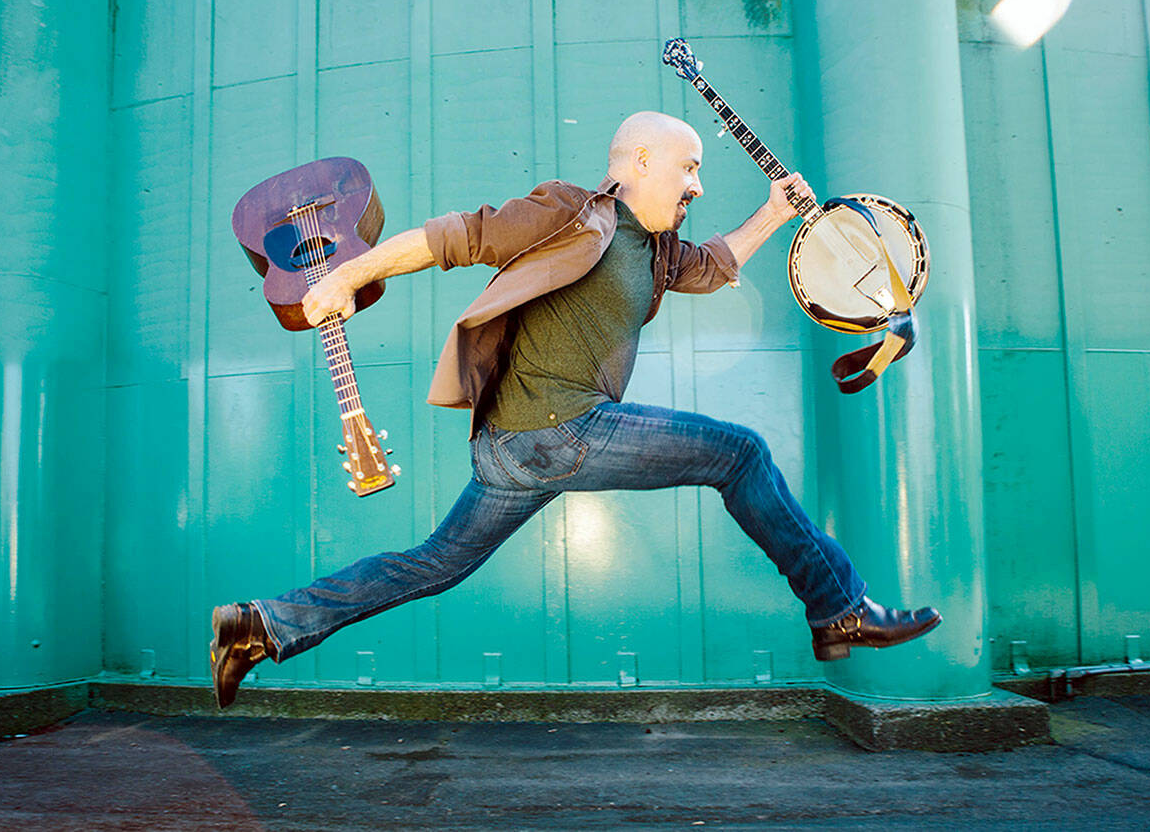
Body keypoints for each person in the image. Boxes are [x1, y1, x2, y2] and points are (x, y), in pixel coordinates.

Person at [210, 111, 941, 709]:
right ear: (640, 162)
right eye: (689, 168)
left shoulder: (656, 252)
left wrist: (776, 212)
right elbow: (450, 237)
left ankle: (262, 624)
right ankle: (839, 605)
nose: (696, 185)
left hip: (514, 450)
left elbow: (716, 265)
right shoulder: (569, 210)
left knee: (431, 564)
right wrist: (349, 275)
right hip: (555, 430)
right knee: (739, 453)